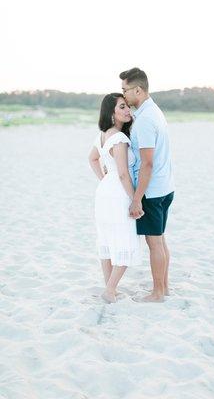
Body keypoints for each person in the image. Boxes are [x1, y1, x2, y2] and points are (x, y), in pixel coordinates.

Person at [120, 68, 175, 302]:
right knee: (160, 240)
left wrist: (136, 198)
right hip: (165, 187)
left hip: (152, 192)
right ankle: (165, 287)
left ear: (138, 90)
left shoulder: (145, 119)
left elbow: (147, 163)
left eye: (125, 90)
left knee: (154, 243)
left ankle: (158, 292)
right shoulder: (154, 111)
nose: (123, 96)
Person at [89, 93, 142, 303]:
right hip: (118, 192)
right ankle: (110, 290)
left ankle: (109, 288)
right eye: (122, 107)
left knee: (108, 239)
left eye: (127, 106)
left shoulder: (103, 135)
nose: (128, 110)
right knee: (124, 240)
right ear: (112, 112)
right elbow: (123, 173)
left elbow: (92, 158)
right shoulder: (119, 138)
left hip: (105, 191)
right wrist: (135, 199)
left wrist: (104, 178)